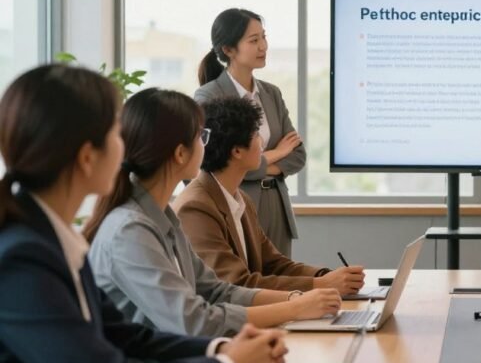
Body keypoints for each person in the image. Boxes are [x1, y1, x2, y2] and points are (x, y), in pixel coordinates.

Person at [0, 64, 286, 363]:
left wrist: (219, 351)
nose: (125, 147)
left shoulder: (53, 239)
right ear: (87, 157)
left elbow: (126, 338)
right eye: (115, 134)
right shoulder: (22, 260)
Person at [85, 88, 344, 337]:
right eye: (201, 137)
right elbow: (194, 321)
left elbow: (216, 291)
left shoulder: (163, 217)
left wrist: (297, 298)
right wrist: (295, 308)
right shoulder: (130, 230)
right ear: (179, 153)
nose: (205, 145)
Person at [175, 97, 365, 293]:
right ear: (237, 151)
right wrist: (321, 285)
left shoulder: (240, 199)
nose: (263, 142)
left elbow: (274, 264)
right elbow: (237, 285)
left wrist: (325, 276)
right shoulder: (196, 207)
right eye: (256, 134)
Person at [196, 8, 303, 256]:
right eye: (253, 40)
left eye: (264, 37)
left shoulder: (271, 93)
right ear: (228, 50)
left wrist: (253, 165)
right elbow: (214, 163)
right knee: (246, 284)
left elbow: (298, 155)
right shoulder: (209, 96)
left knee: (284, 281)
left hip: (277, 205)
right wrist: (276, 153)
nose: (263, 46)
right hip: (237, 202)